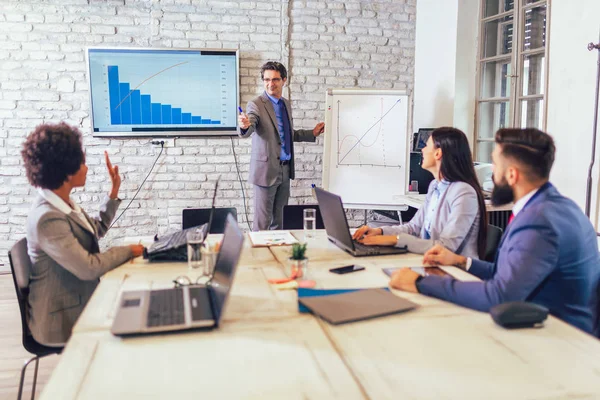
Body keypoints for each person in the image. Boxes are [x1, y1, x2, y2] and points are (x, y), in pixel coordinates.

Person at [390, 128, 600, 335]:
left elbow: (499, 295)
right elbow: (505, 276)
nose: (492, 174)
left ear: (511, 174)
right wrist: (461, 261)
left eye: (495, 166)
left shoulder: (538, 222)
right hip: (541, 323)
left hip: (561, 339)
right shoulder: (554, 206)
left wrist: (421, 283)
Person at [22, 122, 144, 346]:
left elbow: (95, 230)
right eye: (82, 163)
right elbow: (89, 268)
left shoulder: (61, 202)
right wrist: (128, 250)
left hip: (78, 298)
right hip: (61, 319)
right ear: (66, 171)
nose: (86, 168)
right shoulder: (46, 218)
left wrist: (113, 192)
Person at [353, 127, 487, 259]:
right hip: (428, 261)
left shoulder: (463, 192)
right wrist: (380, 232)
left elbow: (445, 247)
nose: (422, 150)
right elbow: (414, 227)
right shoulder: (435, 186)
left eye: (426, 146)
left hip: (455, 271)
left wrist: (393, 240)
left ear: (437, 153)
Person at [238, 61, 325, 231]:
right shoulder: (256, 104)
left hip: (285, 171)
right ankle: (260, 257)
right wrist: (245, 125)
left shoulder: (285, 104)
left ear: (284, 80)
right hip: (266, 172)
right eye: (267, 80)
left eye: (275, 79)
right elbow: (251, 125)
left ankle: (275, 256)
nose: (271, 84)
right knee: (262, 224)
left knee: (279, 223)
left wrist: (312, 133)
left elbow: (286, 135)